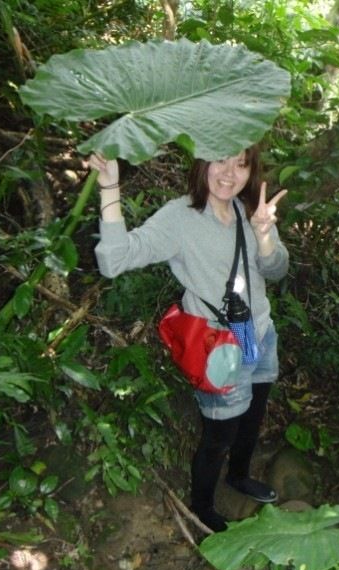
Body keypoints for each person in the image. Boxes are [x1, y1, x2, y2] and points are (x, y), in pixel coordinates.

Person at [87, 145, 289, 532]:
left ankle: (240, 475)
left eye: (241, 164)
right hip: (219, 346)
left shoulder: (253, 212)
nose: (229, 173)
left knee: (254, 411)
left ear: (251, 171)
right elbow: (114, 262)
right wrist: (110, 189)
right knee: (219, 433)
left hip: (259, 331)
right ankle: (203, 505)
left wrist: (265, 235)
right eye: (221, 160)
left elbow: (277, 270)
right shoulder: (180, 217)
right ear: (202, 162)